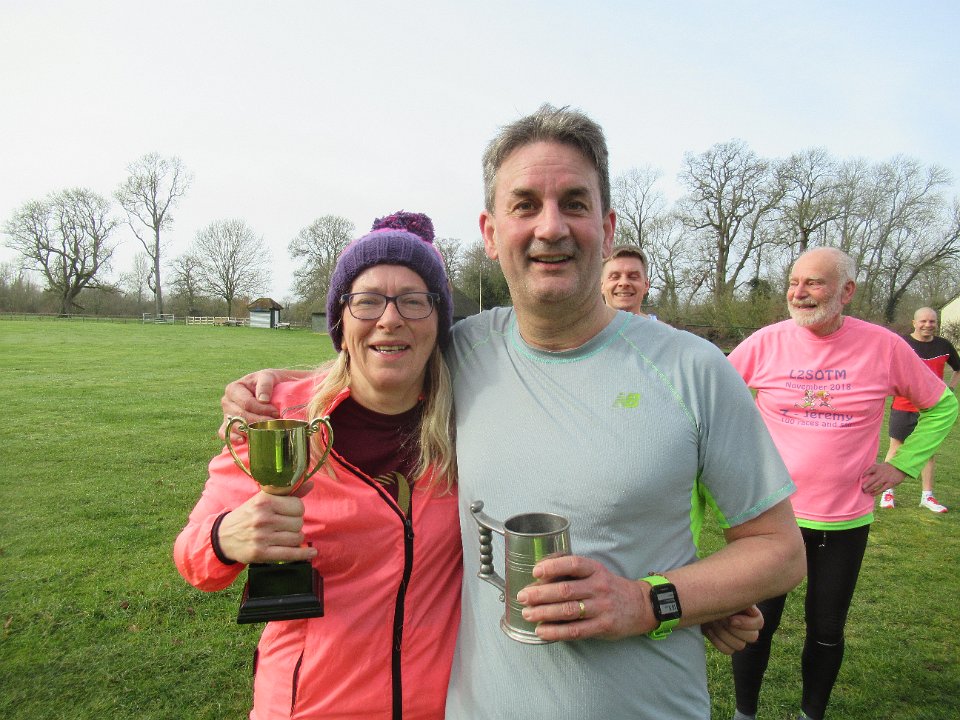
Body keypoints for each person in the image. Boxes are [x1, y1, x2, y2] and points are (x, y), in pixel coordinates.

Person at [221, 105, 805, 719]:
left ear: (606, 228)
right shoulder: (461, 352)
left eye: (574, 203)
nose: (550, 227)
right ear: (491, 232)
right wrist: (275, 390)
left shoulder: (694, 370)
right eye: (525, 205)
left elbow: (779, 550)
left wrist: (651, 600)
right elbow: (375, 359)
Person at [174, 212, 464, 719]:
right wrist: (225, 537)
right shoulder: (276, 417)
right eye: (367, 300)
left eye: (414, 300)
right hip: (308, 706)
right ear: (340, 322)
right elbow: (193, 558)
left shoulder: (471, 420)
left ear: (438, 322)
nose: (390, 319)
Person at [726, 248, 959, 720]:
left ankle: (811, 715)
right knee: (755, 624)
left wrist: (902, 465)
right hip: (773, 517)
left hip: (844, 519)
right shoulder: (766, 342)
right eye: (794, 282)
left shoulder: (884, 346)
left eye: (814, 282)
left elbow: (943, 405)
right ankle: (743, 714)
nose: (799, 293)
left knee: (826, 630)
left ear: (846, 291)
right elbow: (712, 399)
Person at [880, 306, 960, 513]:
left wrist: (950, 389)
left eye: (932, 321)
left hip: (931, 410)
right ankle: (887, 493)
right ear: (914, 323)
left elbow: (958, 369)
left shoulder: (944, 345)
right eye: (923, 321)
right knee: (896, 447)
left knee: (928, 452)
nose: (928, 325)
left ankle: (927, 496)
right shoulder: (902, 343)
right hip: (903, 406)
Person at [601, 244, 657, 319]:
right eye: (615, 277)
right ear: (601, 285)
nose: (624, 283)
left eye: (633, 277)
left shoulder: (661, 327)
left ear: (646, 285)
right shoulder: (585, 326)